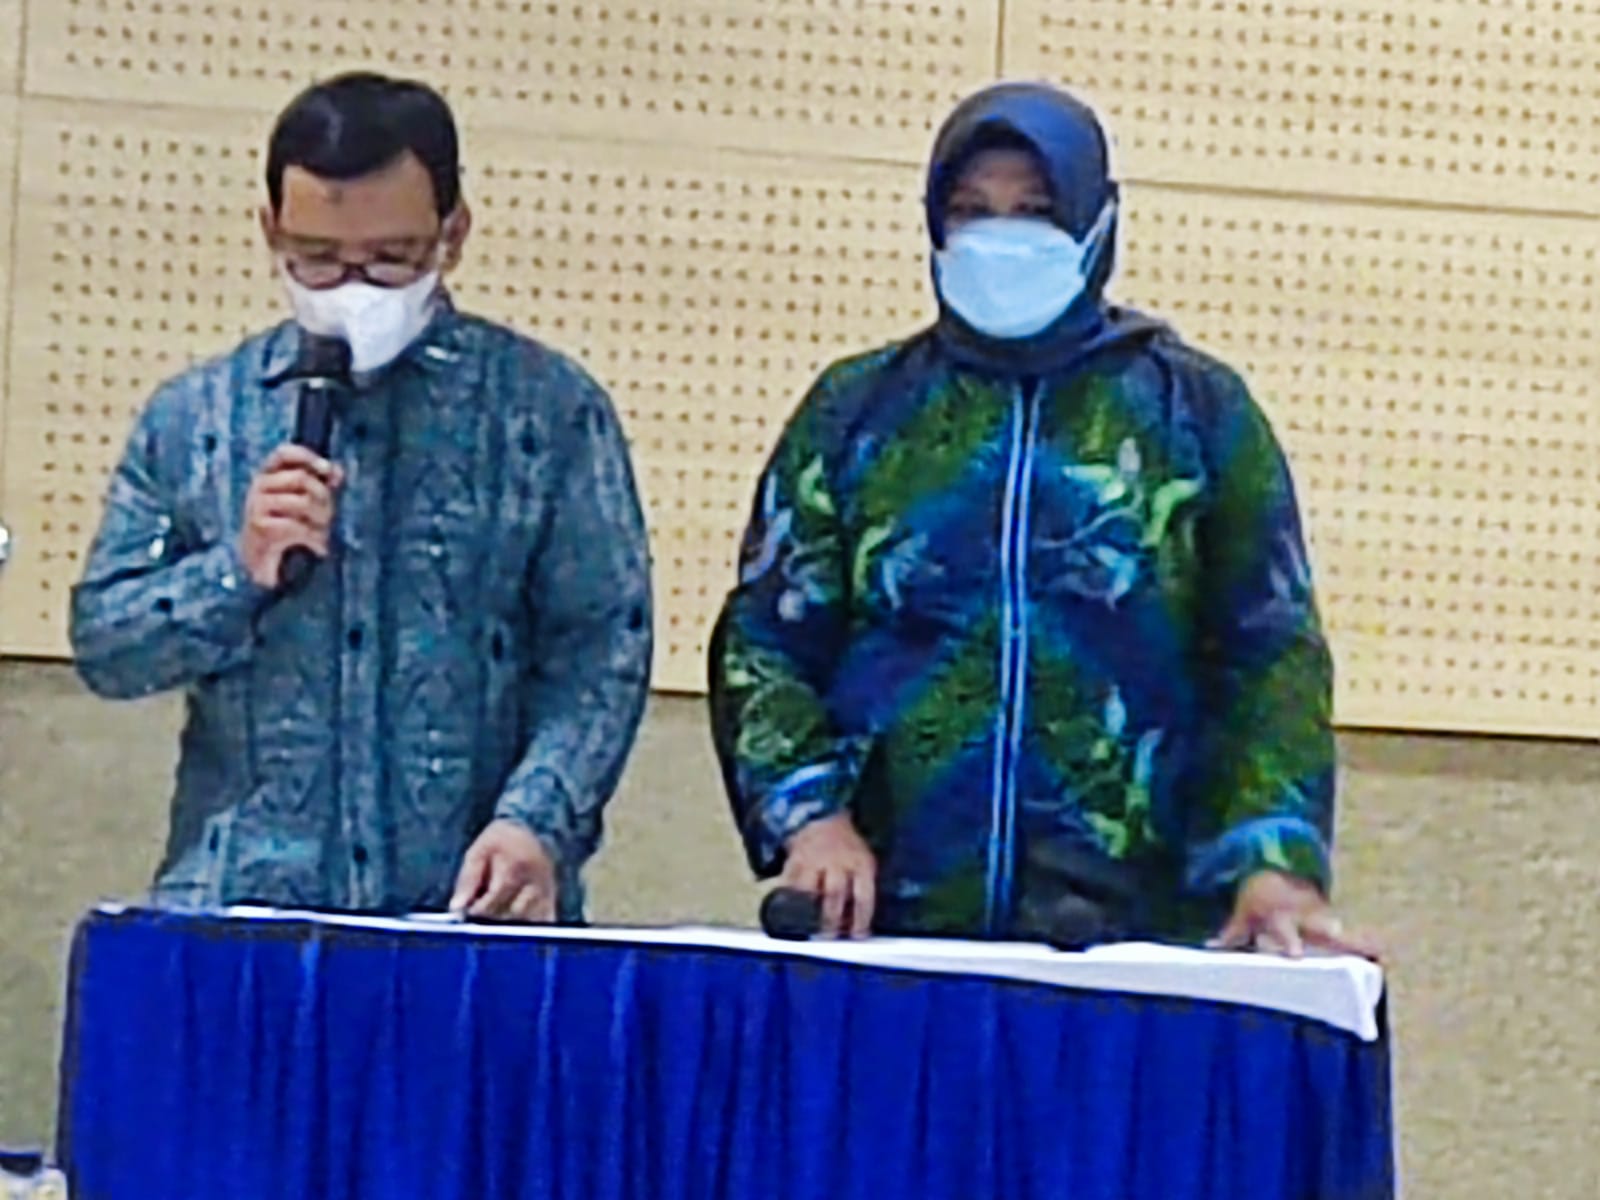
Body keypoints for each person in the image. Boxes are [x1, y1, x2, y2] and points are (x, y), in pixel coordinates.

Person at [709, 81, 1376, 957]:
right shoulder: (858, 412)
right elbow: (765, 640)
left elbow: (1270, 656)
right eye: (970, 211)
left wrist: (1272, 860)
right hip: (892, 931)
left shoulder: (1195, 414)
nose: (1000, 237)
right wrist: (811, 816)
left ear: (1097, 223)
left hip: (1134, 934)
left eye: (1035, 213)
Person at [69, 72, 652, 923]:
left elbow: (603, 646)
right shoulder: (195, 417)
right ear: (270, 229)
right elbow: (106, 647)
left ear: (453, 233)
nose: (351, 286)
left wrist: (539, 820)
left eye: (389, 258)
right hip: (242, 912)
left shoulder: (547, 411)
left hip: (470, 913)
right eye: (315, 257)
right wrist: (235, 572)